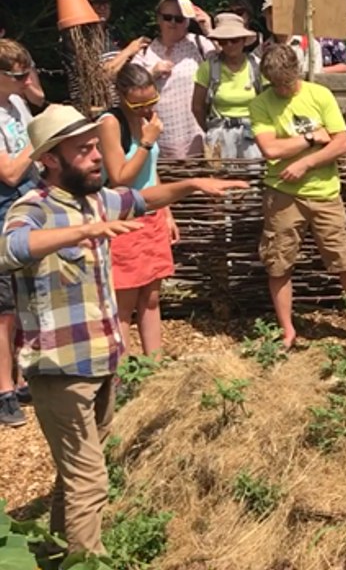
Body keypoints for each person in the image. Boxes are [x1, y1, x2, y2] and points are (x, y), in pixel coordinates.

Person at [0, 104, 244, 556]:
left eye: (96, 146)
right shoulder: (30, 208)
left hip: (101, 360)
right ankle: (88, 562)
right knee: (89, 480)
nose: (97, 156)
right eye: (84, 149)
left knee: (74, 475)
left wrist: (192, 185)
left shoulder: (94, 197)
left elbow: (142, 198)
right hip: (61, 370)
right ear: (50, 158)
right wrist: (78, 233)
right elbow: (10, 248)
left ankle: (58, 555)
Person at [249, 45, 346, 349]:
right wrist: (311, 138)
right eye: (276, 83)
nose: (282, 89)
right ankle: (288, 330)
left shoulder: (320, 95)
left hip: (324, 193)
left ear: (297, 72)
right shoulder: (260, 104)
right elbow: (270, 150)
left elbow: (341, 142)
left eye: (287, 82)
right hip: (282, 195)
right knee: (278, 263)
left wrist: (304, 162)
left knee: (345, 259)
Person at [98, 66, 175, 357]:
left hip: (151, 215)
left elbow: (152, 172)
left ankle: (153, 366)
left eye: (151, 102)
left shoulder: (149, 119)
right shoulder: (110, 123)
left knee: (152, 297)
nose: (146, 109)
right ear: (120, 96)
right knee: (125, 302)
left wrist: (167, 211)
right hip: (123, 218)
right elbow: (119, 177)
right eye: (138, 105)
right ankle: (124, 372)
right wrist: (146, 140)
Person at [0, 40, 42, 427]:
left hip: (25, 205)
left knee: (26, 297)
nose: (25, 80)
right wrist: (40, 139)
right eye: (17, 75)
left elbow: (39, 99)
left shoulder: (15, 103)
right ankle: (3, 390)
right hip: (3, 208)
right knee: (4, 310)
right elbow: (10, 172)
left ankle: (22, 376)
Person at [132, 0, 216, 158]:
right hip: (160, 138)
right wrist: (152, 73)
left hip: (195, 135)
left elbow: (227, 63)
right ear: (158, 19)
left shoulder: (198, 43)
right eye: (167, 17)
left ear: (187, 22)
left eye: (179, 19)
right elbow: (129, 87)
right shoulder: (145, 50)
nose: (172, 23)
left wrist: (209, 29)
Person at [192, 13, 264, 160]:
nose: (229, 45)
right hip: (218, 130)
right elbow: (197, 107)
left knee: (254, 176)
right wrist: (210, 129)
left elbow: (269, 101)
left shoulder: (257, 65)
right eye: (224, 41)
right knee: (219, 178)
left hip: (252, 131)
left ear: (244, 40)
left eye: (234, 40)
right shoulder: (208, 68)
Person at [257, 0, 324, 76]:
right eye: (270, 12)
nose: (273, 17)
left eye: (280, 12)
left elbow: (313, 76)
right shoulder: (261, 50)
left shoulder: (310, 45)